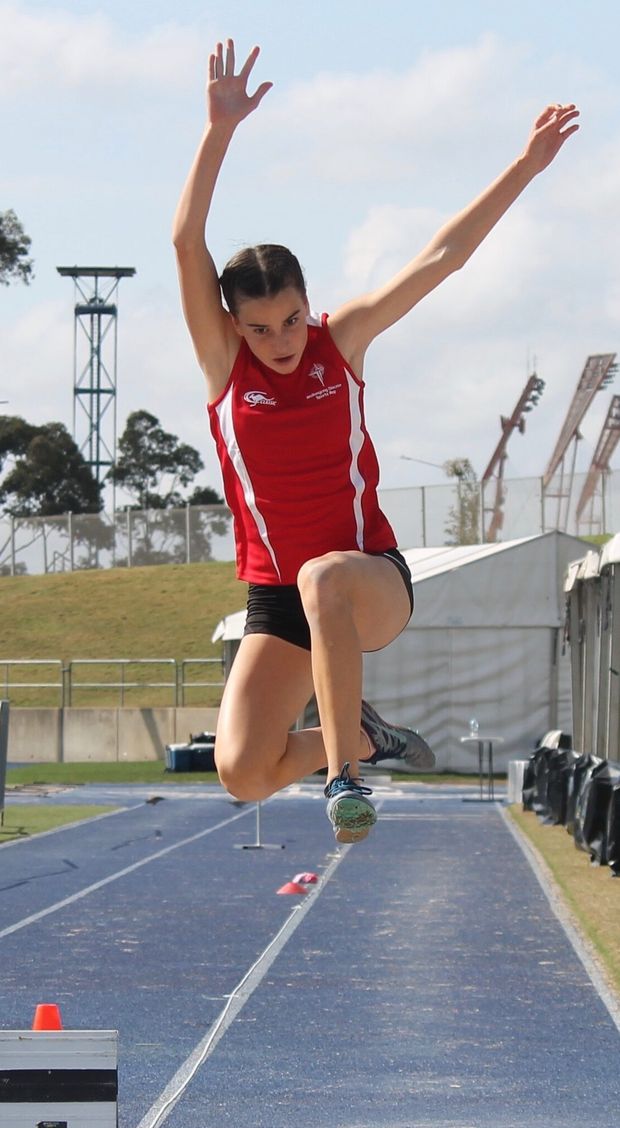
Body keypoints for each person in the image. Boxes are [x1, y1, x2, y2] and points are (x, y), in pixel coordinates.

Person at [172, 39, 579, 843]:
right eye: (259, 328)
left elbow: (442, 257)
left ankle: (345, 780)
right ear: (233, 326)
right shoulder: (224, 365)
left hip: (368, 584)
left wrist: (526, 166)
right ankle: (362, 737)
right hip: (277, 599)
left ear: (307, 303)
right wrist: (218, 129)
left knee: (324, 574)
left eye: (290, 319)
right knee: (242, 773)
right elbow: (188, 244)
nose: (280, 340)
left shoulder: (341, 342)